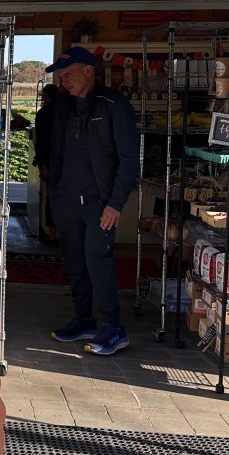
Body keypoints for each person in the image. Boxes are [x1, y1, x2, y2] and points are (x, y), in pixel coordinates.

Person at [45, 47, 140, 355]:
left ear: (88, 70)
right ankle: (84, 319)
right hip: (65, 200)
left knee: (96, 260)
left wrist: (116, 203)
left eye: (68, 75)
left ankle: (113, 327)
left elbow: (128, 159)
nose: (65, 82)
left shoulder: (114, 104)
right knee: (74, 262)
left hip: (100, 203)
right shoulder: (62, 106)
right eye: (61, 77)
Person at [32, 84, 59, 245]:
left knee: (52, 198)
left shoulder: (43, 114)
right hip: (67, 163)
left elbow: (41, 142)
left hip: (50, 161)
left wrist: (42, 164)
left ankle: (52, 233)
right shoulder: (68, 111)